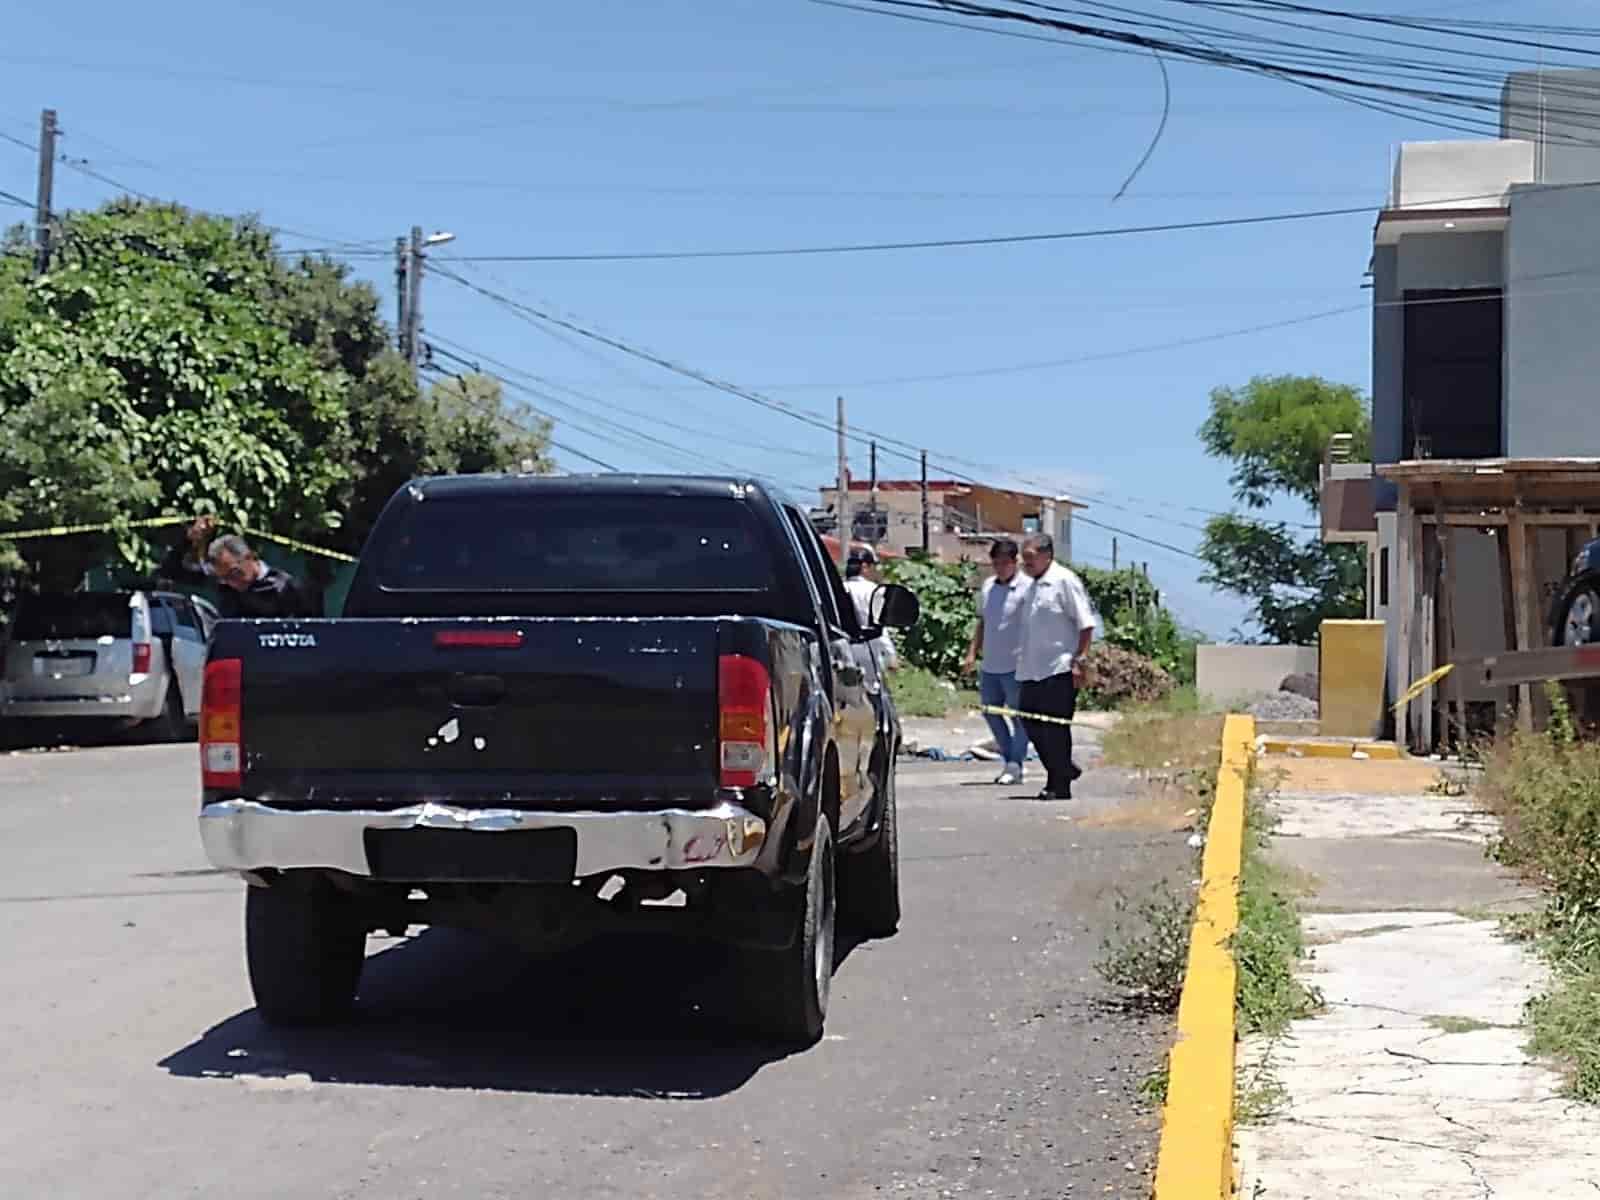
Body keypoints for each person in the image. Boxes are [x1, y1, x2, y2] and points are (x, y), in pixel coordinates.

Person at [1015, 532, 1096, 801]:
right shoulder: (1029, 585)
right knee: (1029, 721)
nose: (1025, 564)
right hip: (1030, 669)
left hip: (1059, 667)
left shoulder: (1064, 581)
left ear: (1047, 555)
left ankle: (1058, 785)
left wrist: (1080, 660)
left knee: (1055, 728)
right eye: (1023, 558)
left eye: (1030, 558)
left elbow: (1086, 624)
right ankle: (1063, 767)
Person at [964, 538, 1033, 787]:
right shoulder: (988, 587)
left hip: (1017, 664)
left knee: (1019, 717)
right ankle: (1009, 758)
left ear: (1015, 563)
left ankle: (1015, 764)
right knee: (990, 711)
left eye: (1005, 563)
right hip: (991, 664)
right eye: (996, 564)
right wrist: (972, 652)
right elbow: (982, 622)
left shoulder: (1027, 589)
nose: (1000, 568)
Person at [206, 534, 314, 619]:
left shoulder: (286, 588)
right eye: (224, 578)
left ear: (250, 557)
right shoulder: (227, 590)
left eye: (234, 572)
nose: (232, 583)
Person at [843, 546, 898, 672]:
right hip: (869, 651)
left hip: (841, 652)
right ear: (865, 567)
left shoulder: (839, 588)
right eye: (873, 566)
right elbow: (878, 625)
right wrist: (891, 655)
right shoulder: (874, 591)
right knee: (873, 689)